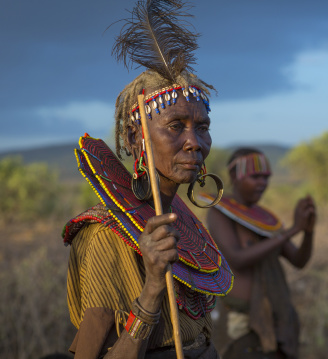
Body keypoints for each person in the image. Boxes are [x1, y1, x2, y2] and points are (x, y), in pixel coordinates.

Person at [61, 1, 232, 358]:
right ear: (135, 137)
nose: (194, 143)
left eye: (202, 128)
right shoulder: (105, 235)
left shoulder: (179, 218)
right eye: (175, 126)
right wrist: (153, 287)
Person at [204, 148, 316, 359]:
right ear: (235, 176)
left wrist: (308, 230)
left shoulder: (264, 219)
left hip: (276, 319)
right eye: (255, 177)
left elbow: (299, 260)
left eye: (266, 178)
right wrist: (292, 230)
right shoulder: (220, 212)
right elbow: (237, 258)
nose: (262, 183)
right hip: (242, 324)